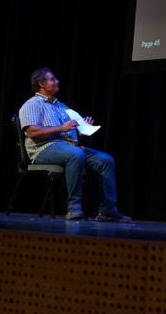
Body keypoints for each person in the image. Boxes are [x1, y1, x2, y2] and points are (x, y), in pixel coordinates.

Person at [18, 67, 130, 222]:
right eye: (52, 79)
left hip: (68, 147)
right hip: (43, 148)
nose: (57, 81)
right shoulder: (32, 104)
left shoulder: (61, 106)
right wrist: (62, 128)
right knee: (75, 155)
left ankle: (107, 210)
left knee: (106, 160)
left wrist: (83, 129)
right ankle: (74, 208)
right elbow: (33, 132)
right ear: (41, 84)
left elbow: (69, 130)